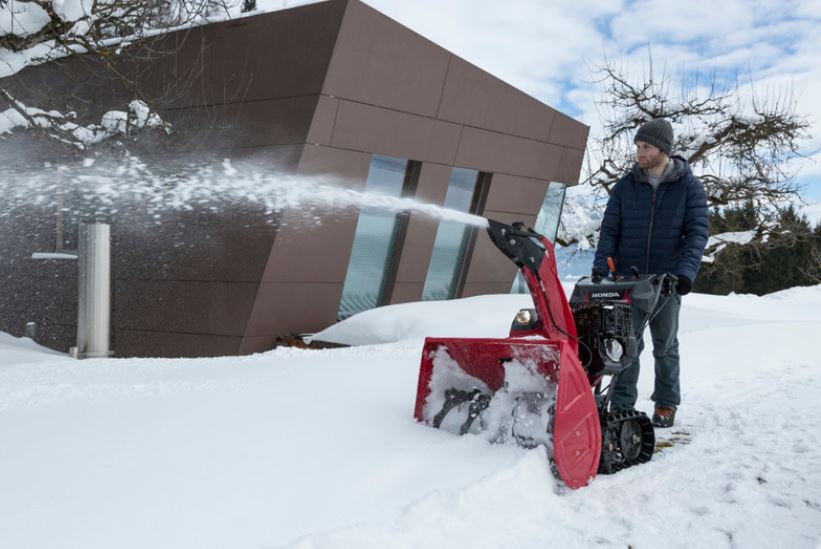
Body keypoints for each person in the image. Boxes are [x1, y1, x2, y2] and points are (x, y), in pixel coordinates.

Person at [593, 118, 709, 428]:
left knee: (665, 345)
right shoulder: (625, 186)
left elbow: (697, 233)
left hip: (666, 281)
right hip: (627, 281)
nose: (639, 153)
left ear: (663, 150)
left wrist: (684, 272)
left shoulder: (689, 187)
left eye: (646, 147)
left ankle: (666, 403)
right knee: (626, 344)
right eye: (638, 147)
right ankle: (621, 405)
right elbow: (610, 230)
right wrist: (601, 264)